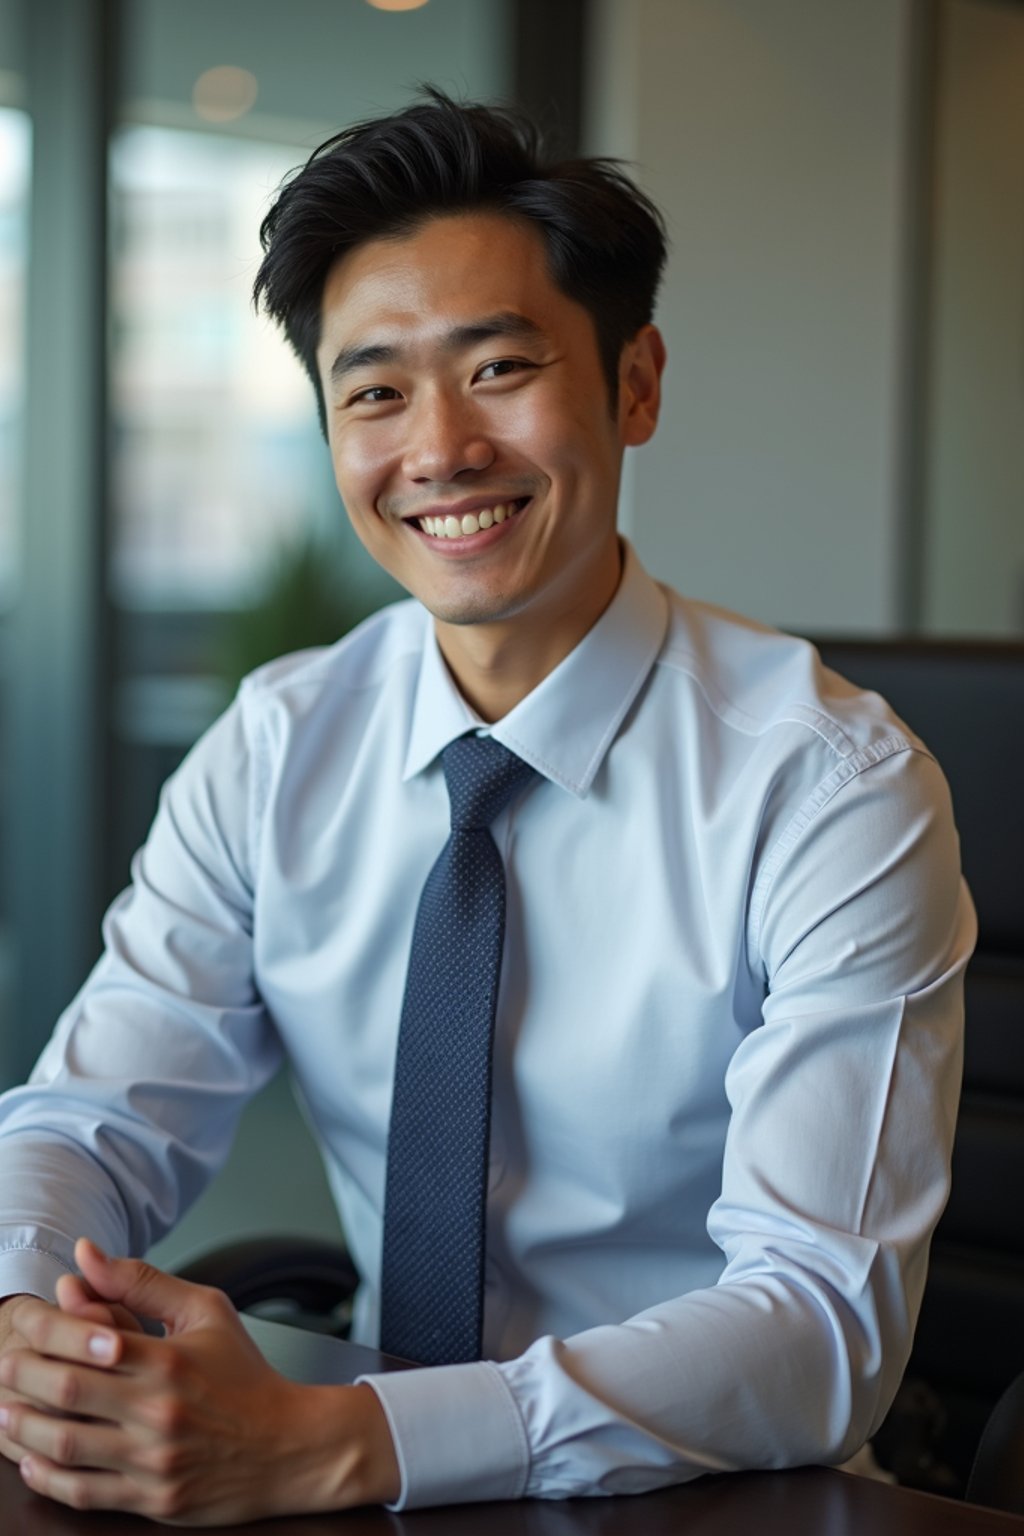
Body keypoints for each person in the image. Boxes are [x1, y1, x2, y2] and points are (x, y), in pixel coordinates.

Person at [0, 89, 974, 1524]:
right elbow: (89, 1121)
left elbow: (818, 1324)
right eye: (375, 390)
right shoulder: (279, 743)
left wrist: (347, 1443)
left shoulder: (830, 790)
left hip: (709, 1493)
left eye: (499, 368)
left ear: (634, 385)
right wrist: (33, 1321)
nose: (440, 449)